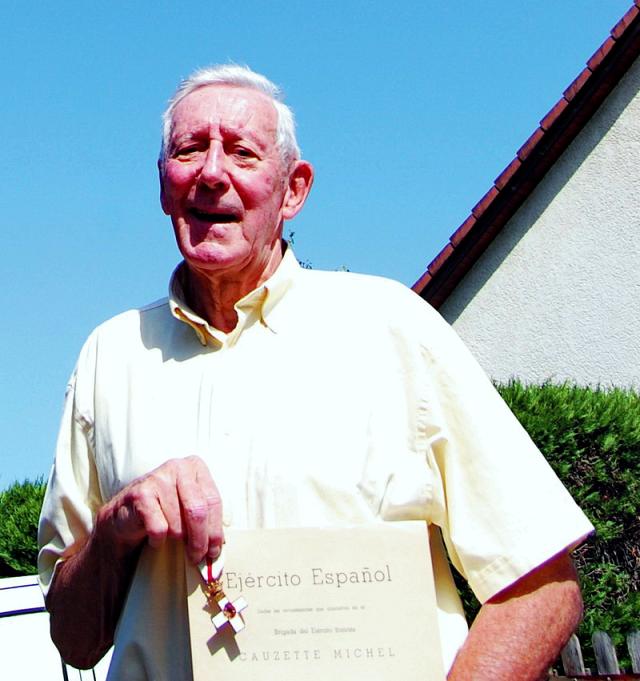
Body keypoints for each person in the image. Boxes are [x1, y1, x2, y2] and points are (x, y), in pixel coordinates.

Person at [39, 64, 593, 681]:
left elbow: (542, 584)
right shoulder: (108, 358)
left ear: (293, 190)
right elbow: (74, 639)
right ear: (164, 185)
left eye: (243, 153)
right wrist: (119, 524)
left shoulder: (393, 329)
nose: (212, 173)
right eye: (189, 150)